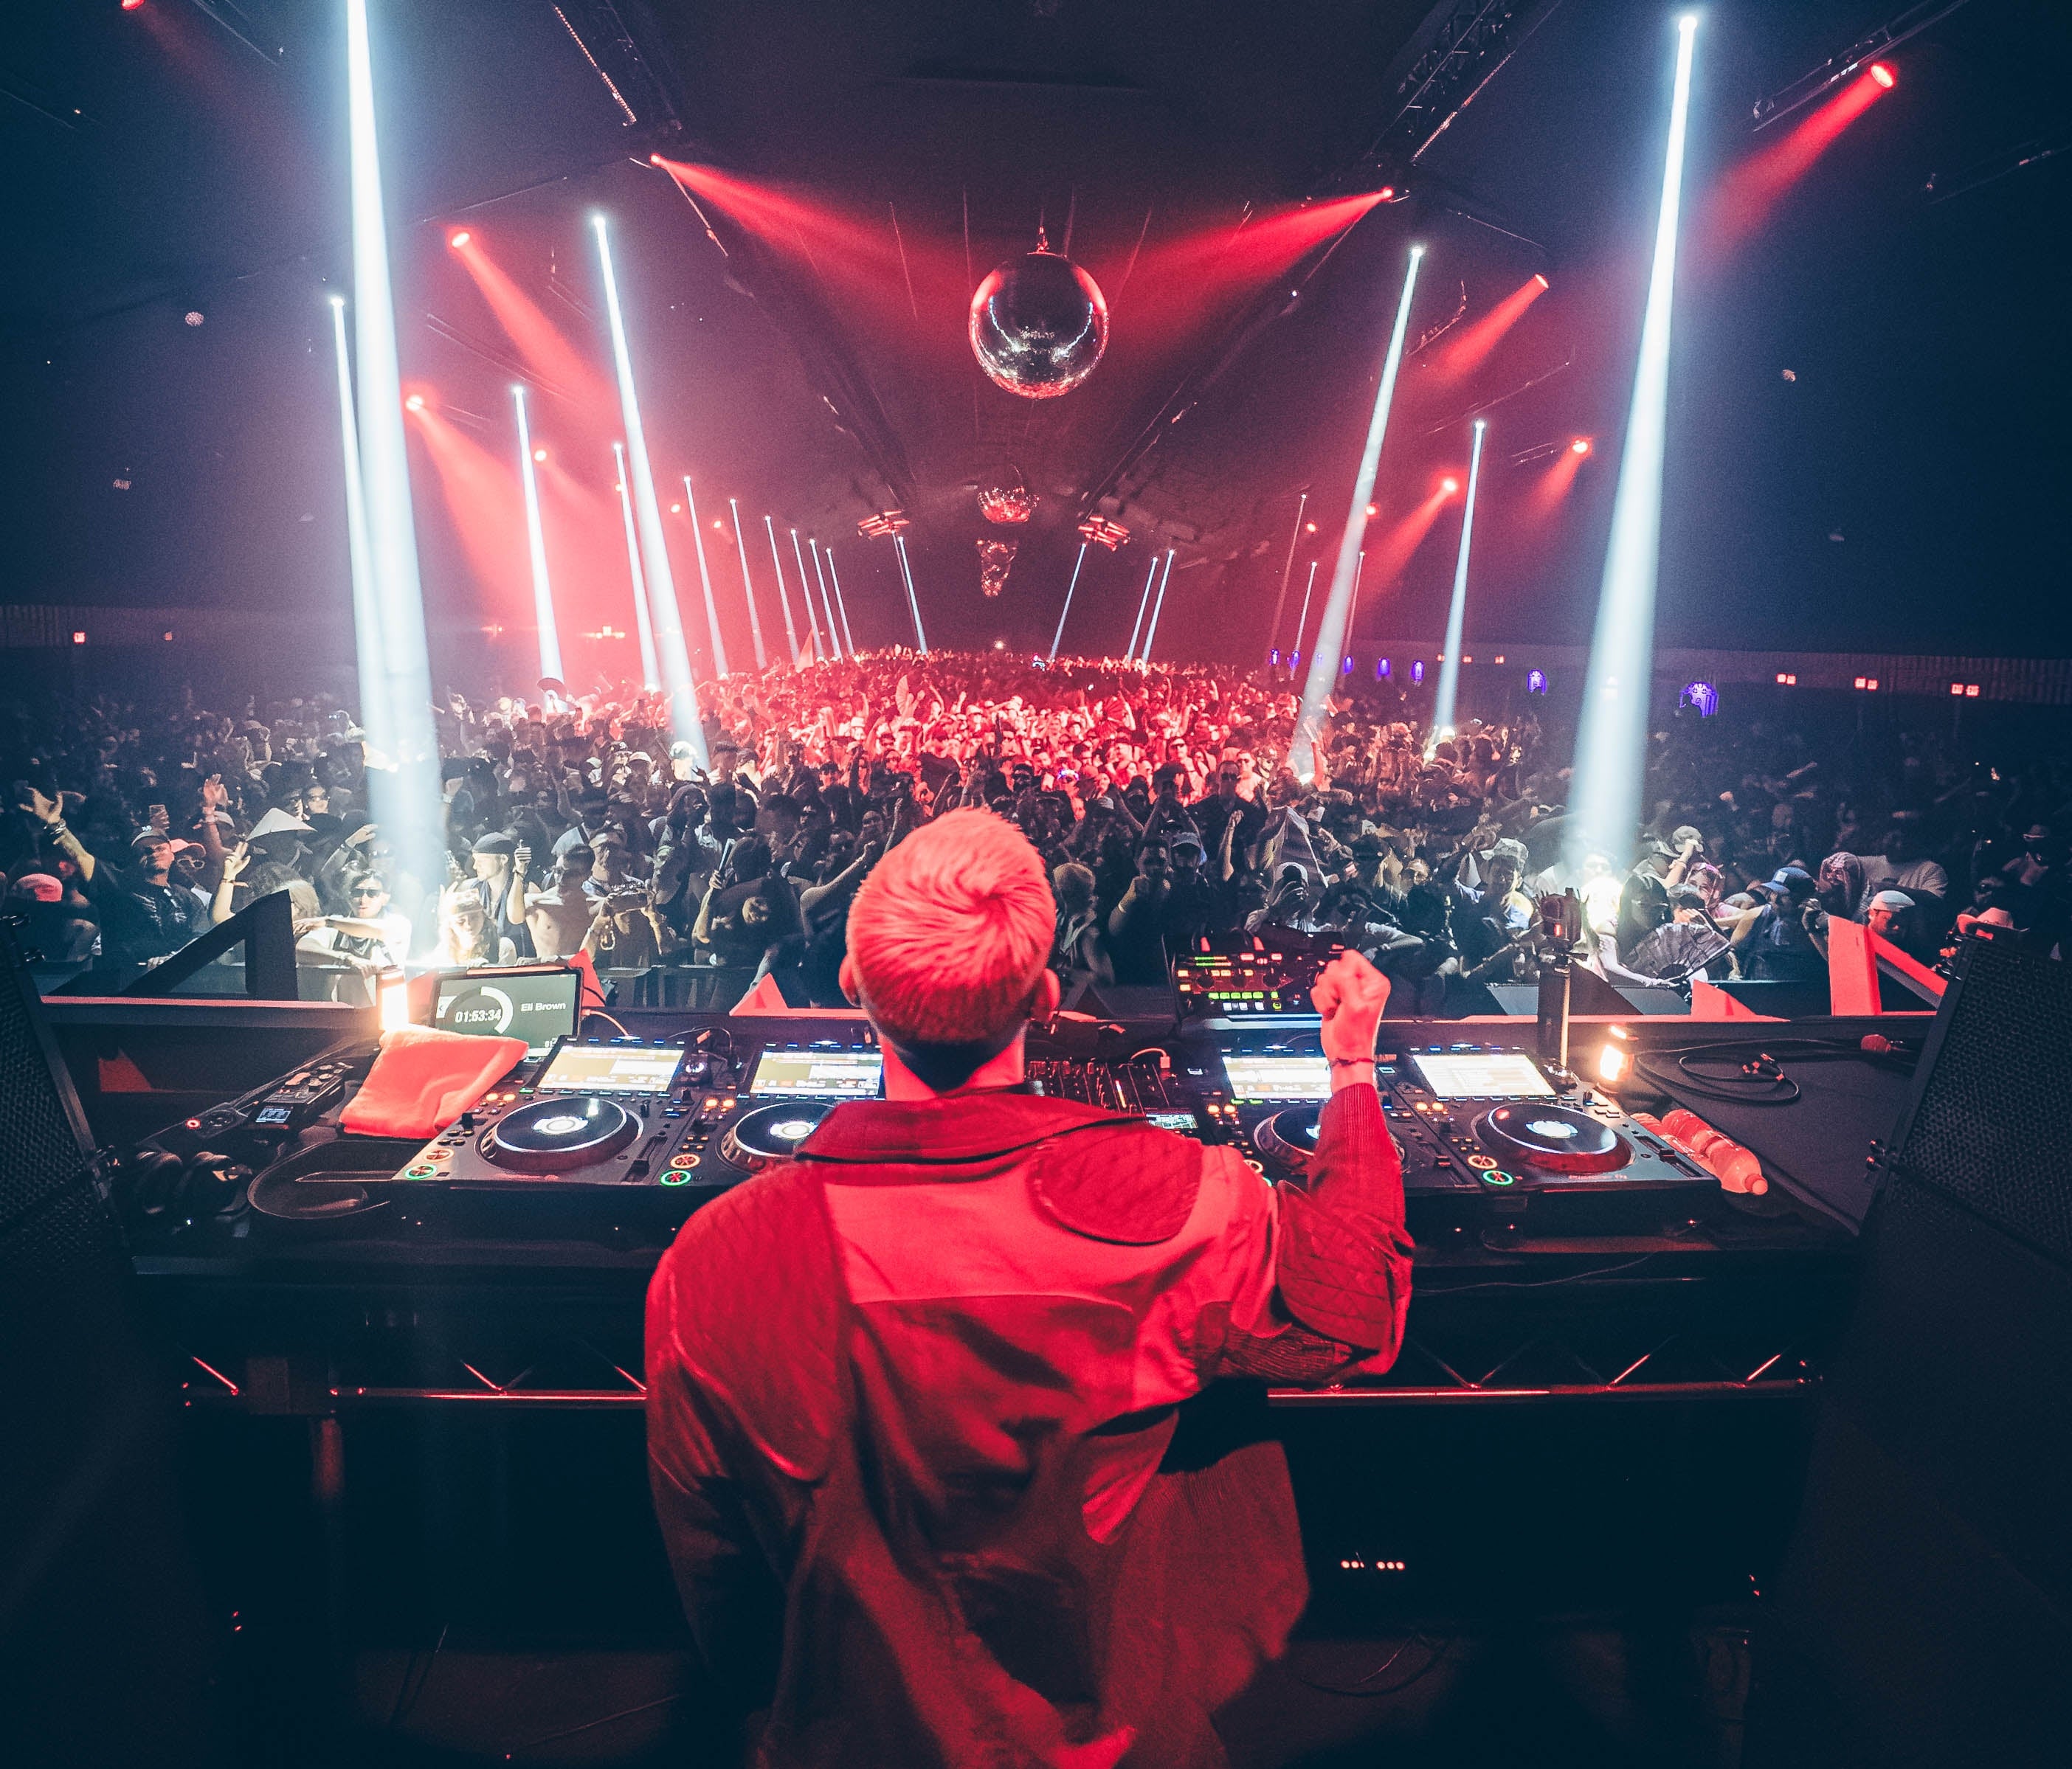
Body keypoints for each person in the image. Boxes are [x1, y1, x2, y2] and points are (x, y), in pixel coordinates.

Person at [646, 810, 1411, 1767]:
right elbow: (1351, 1313)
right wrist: (1351, 1067)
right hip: (1121, 1730)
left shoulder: (716, 1257)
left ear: (851, 986)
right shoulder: (1179, 1197)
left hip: (852, 1735)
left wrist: (781, 1704)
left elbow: (714, 1558)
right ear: (1046, 997)